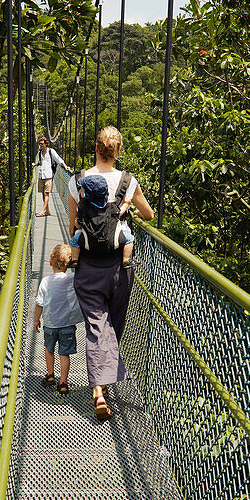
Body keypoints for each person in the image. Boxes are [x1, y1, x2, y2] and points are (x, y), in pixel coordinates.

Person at [68, 126, 154, 420]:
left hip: (88, 267)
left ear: (96, 148)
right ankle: (102, 387)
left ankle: (98, 392)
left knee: (96, 328)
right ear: (118, 151)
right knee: (113, 325)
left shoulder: (76, 180)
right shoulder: (129, 182)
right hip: (121, 266)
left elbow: (73, 227)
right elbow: (149, 214)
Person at [33, 243, 82, 395]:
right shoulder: (73, 279)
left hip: (50, 324)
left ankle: (50, 375)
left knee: (49, 349)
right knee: (64, 353)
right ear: (69, 264)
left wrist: (36, 320)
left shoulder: (46, 282)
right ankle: (63, 382)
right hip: (67, 324)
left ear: (50, 262)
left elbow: (40, 303)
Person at [36, 136, 69, 218]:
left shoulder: (51, 151)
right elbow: (40, 162)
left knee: (46, 193)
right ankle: (47, 210)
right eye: (40, 144)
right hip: (41, 175)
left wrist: (65, 166)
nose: (41, 145)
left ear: (46, 144)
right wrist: (35, 164)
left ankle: (43, 211)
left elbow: (59, 159)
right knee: (43, 194)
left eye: (42, 144)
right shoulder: (40, 153)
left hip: (48, 175)